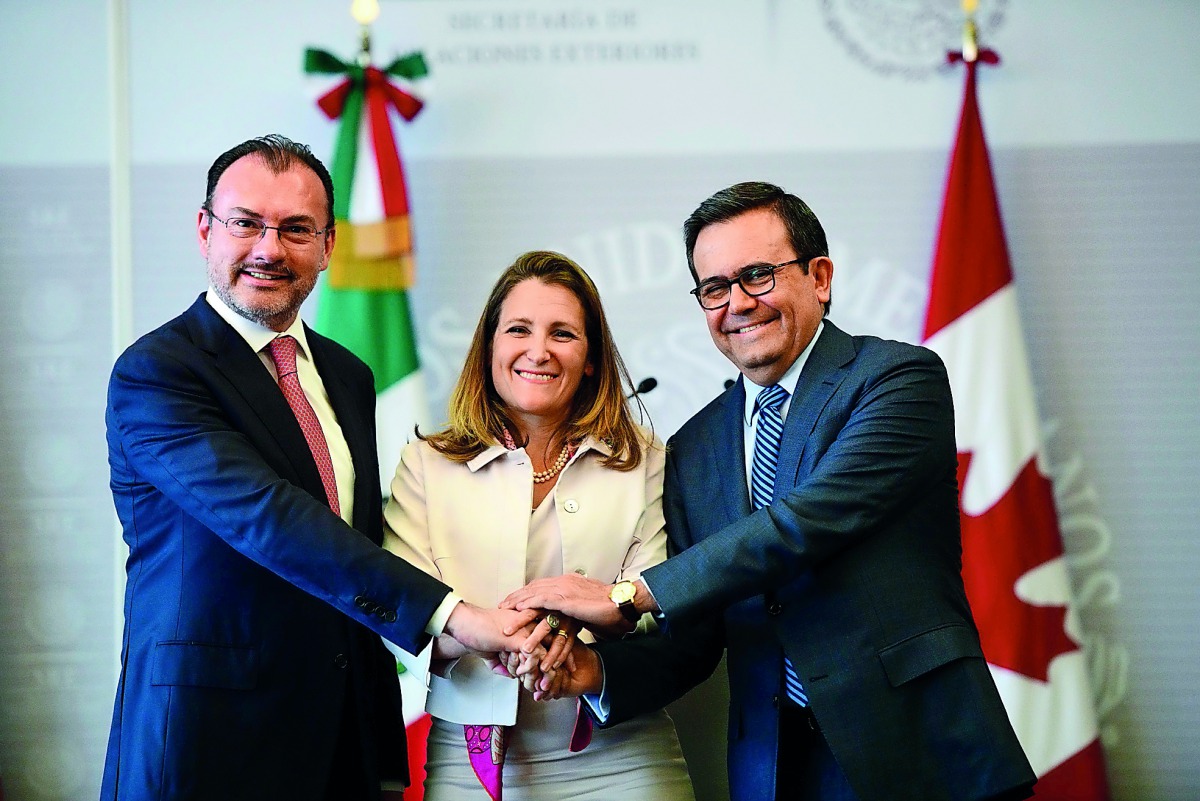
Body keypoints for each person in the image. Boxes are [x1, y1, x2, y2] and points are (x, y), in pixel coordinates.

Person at [503, 182, 1039, 801]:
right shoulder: (693, 447)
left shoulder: (896, 378)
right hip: (773, 766)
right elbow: (695, 635)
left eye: (757, 275)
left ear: (820, 278)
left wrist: (627, 595)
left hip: (918, 749)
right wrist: (591, 671)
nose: (737, 303)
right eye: (714, 287)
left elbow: (805, 522)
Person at [101, 134, 535, 801]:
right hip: (207, 742)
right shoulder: (157, 372)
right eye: (246, 223)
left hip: (341, 740)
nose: (269, 249)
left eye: (296, 229)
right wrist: (452, 615)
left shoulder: (346, 373)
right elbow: (268, 516)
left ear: (329, 245)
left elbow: (357, 541)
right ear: (205, 230)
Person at [382, 251, 695, 800]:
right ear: (490, 347)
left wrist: (581, 637)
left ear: (591, 358)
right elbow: (400, 616)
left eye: (563, 334)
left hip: (623, 755)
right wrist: (486, 633)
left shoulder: (645, 460)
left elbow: (661, 605)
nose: (538, 351)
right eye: (519, 329)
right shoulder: (425, 465)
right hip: (465, 763)